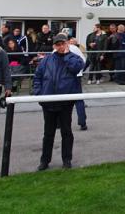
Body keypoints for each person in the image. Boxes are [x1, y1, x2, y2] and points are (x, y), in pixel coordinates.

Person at [33, 34, 85, 171]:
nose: (60, 46)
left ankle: (67, 159)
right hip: (48, 101)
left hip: (65, 102)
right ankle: (45, 160)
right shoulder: (47, 60)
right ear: (54, 46)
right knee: (48, 133)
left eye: (63, 44)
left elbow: (77, 68)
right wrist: (39, 93)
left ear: (67, 44)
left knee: (66, 132)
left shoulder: (74, 58)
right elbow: (37, 77)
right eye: (58, 44)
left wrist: (67, 55)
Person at [67, 37, 88, 131]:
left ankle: (82, 121)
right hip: (70, 77)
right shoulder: (74, 48)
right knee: (77, 99)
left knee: (75, 99)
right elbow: (83, 60)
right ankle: (82, 122)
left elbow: (83, 60)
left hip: (73, 77)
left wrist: (78, 70)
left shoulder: (73, 48)